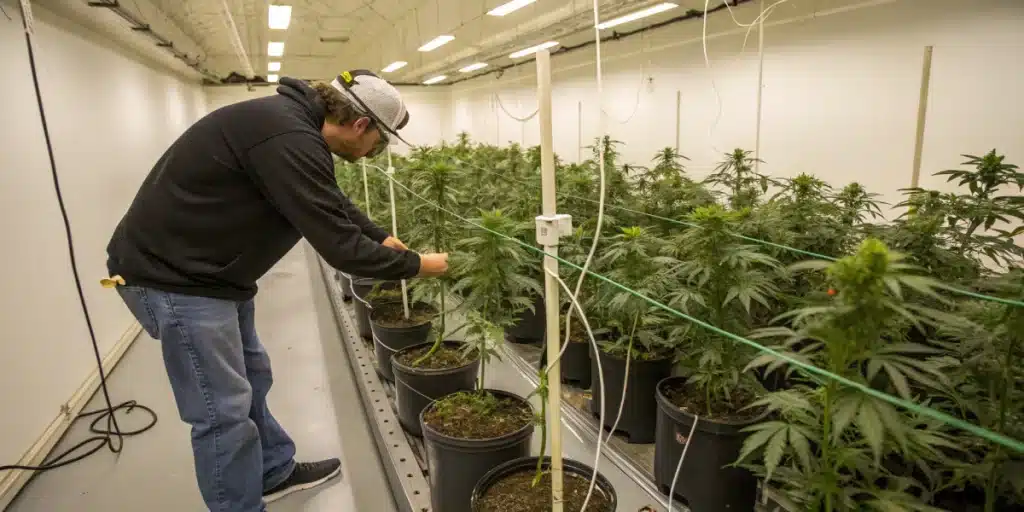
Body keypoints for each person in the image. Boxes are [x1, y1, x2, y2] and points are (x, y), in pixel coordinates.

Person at [105, 70, 448, 511]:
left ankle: (272, 471)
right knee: (221, 411)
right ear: (360, 125)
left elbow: (330, 200)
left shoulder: (290, 126)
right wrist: (418, 265)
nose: (372, 154)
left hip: (213, 276)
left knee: (252, 376)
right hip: (176, 282)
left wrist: (379, 235)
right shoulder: (286, 135)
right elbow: (341, 248)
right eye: (377, 143)